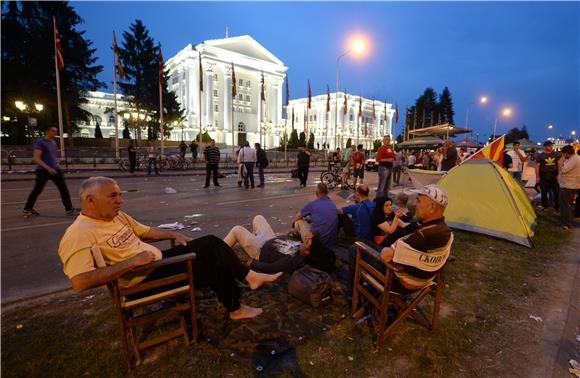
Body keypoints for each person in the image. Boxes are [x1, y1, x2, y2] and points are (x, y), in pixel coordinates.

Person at [58, 177, 281, 320]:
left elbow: (146, 231)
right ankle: (249, 278)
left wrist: (173, 234)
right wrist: (130, 263)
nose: (120, 201)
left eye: (120, 195)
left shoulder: (116, 216)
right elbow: (80, 282)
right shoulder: (78, 233)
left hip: (157, 263)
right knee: (212, 244)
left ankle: (236, 307)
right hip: (142, 280)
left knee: (216, 260)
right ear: (90, 200)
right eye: (113, 196)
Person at [377, 184, 452, 291]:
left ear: (431, 207)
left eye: (418, 201)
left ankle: (356, 296)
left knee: (357, 248)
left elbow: (385, 256)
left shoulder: (421, 236)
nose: (414, 204)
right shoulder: (446, 231)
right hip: (426, 280)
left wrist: (398, 242)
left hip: (403, 284)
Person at [224, 215, 335, 274]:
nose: (304, 240)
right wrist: (311, 237)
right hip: (271, 239)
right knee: (258, 218)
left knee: (236, 230)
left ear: (307, 251)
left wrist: (252, 263)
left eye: (306, 243)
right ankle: (252, 237)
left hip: (259, 250)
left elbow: (270, 268)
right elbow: (320, 247)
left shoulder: (292, 261)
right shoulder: (305, 249)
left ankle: (216, 253)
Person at [23, 125, 77, 217]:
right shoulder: (41, 143)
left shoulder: (53, 142)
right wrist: (48, 168)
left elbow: (51, 156)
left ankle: (69, 209)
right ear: (47, 131)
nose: (55, 133)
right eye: (53, 131)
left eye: (56, 131)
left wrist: (56, 164)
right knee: (37, 190)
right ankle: (27, 208)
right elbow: (36, 158)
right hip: (43, 171)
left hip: (55, 170)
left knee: (63, 189)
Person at [293, 183, 338, 248]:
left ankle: (297, 234)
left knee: (298, 221)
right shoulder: (332, 204)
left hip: (317, 242)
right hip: (330, 242)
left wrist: (295, 222)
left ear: (317, 192)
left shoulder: (313, 204)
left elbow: (298, 216)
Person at [557, 145, 580, 230]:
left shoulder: (574, 159)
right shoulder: (575, 158)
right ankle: (568, 221)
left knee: (564, 205)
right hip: (572, 185)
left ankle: (566, 224)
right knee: (569, 204)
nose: (562, 155)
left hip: (568, 185)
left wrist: (560, 163)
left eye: (563, 154)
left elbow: (564, 170)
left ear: (566, 153)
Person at [536, 140, 560, 211]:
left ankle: (557, 206)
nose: (551, 147)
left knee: (556, 191)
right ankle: (544, 206)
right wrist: (537, 177)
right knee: (544, 191)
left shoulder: (556, 154)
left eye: (551, 145)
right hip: (543, 175)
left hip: (554, 174)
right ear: (545, 147)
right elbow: (537, 166)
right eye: (549, 146)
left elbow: (558, 164)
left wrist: (558, 174)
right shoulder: (540, 156)